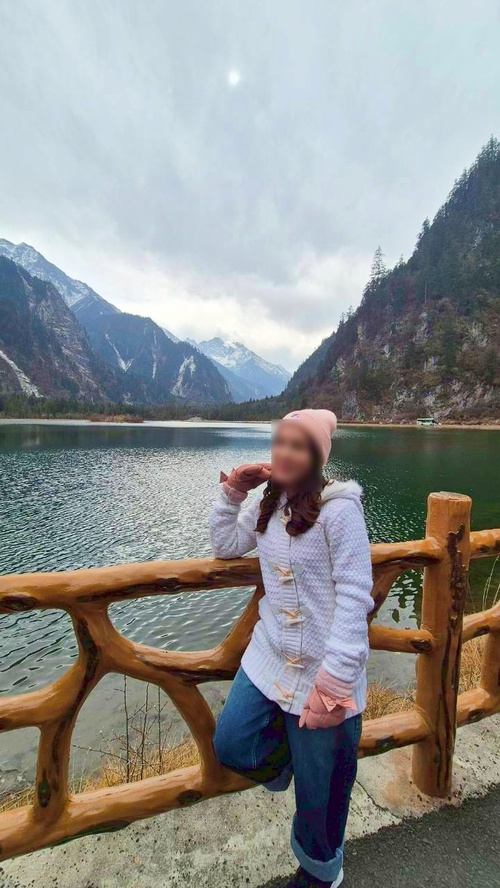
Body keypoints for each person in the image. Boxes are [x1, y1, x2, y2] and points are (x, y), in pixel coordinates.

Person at [209, 409, 374, 888]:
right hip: (271, 657)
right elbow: (225, 545)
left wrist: (336, 680)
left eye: (298, 446)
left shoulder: (340, 510)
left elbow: (355, 593)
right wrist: (233, 491)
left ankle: (321, 873)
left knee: (321, 797)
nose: (284, 452)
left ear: (317, 456)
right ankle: (293, 762)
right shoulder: (272, 501)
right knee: (231, 744)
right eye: (280, 441)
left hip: (324, 669)